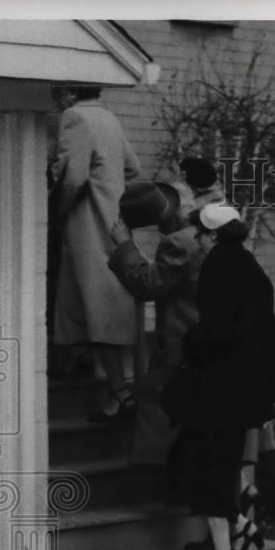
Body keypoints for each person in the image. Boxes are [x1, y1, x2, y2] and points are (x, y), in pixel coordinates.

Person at [167, 203, 275, 550]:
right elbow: (263, 334)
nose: (197, 240)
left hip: (220, 392)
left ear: (213, 235)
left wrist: (189, 342)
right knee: (208, 471)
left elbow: (216, 331)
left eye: (200, 234)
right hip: (246, 392)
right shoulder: (251, 267)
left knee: (204, 472)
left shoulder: (218, 268)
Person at [49, 85, 141, 420]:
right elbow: (133, 169)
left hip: (87, 222)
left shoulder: (74, 118)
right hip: (112, 220)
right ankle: (98, 370)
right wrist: (111, 188)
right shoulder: (109, 118)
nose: (55, 102)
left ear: (69, 95)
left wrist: (55, 211)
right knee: (100, 299)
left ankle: (119, 390)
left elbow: (73, 177)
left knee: (94, 302)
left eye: (56, 95)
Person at [107, 181, 203, 466]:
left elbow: (146, 285)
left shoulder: (179, 242)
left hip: (184, 342)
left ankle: (161, 478)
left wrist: (125, 244)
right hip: (204, 340)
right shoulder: (204, 235)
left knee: (156, 402)